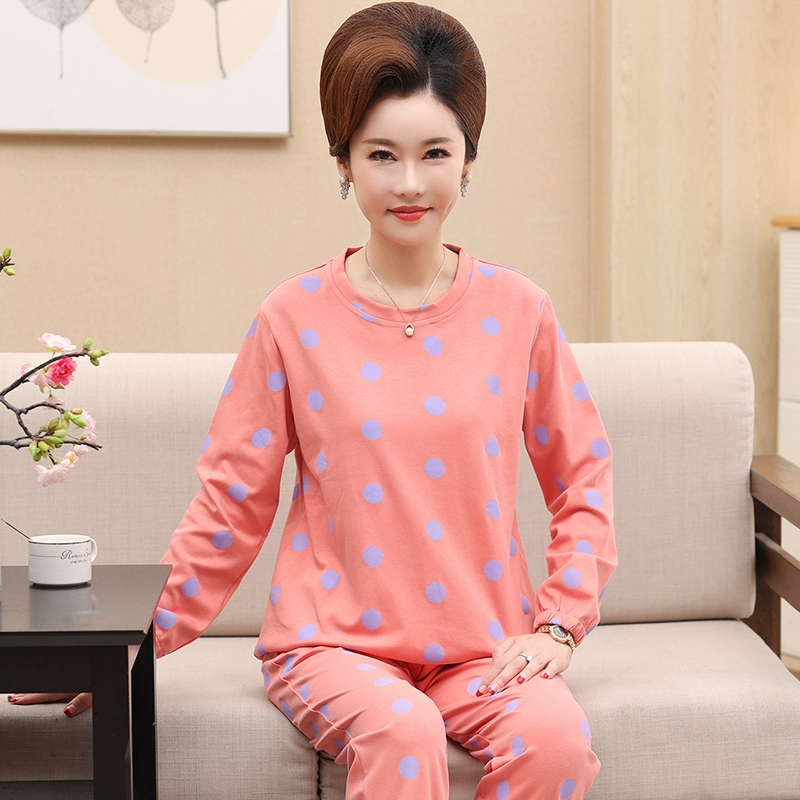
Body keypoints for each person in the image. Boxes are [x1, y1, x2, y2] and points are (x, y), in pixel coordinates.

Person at [9, 4, 616, 798]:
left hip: (481, 648)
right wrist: (126, 645)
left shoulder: (520, 311)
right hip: (331, 649)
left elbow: (583, 478)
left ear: (468, 157)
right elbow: (230, 506)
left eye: (435, 153)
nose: (409, 183)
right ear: (343, 161)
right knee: (403, 733)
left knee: (557, 744)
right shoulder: (292, 318)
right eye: (381, 154)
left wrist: (559, 622)